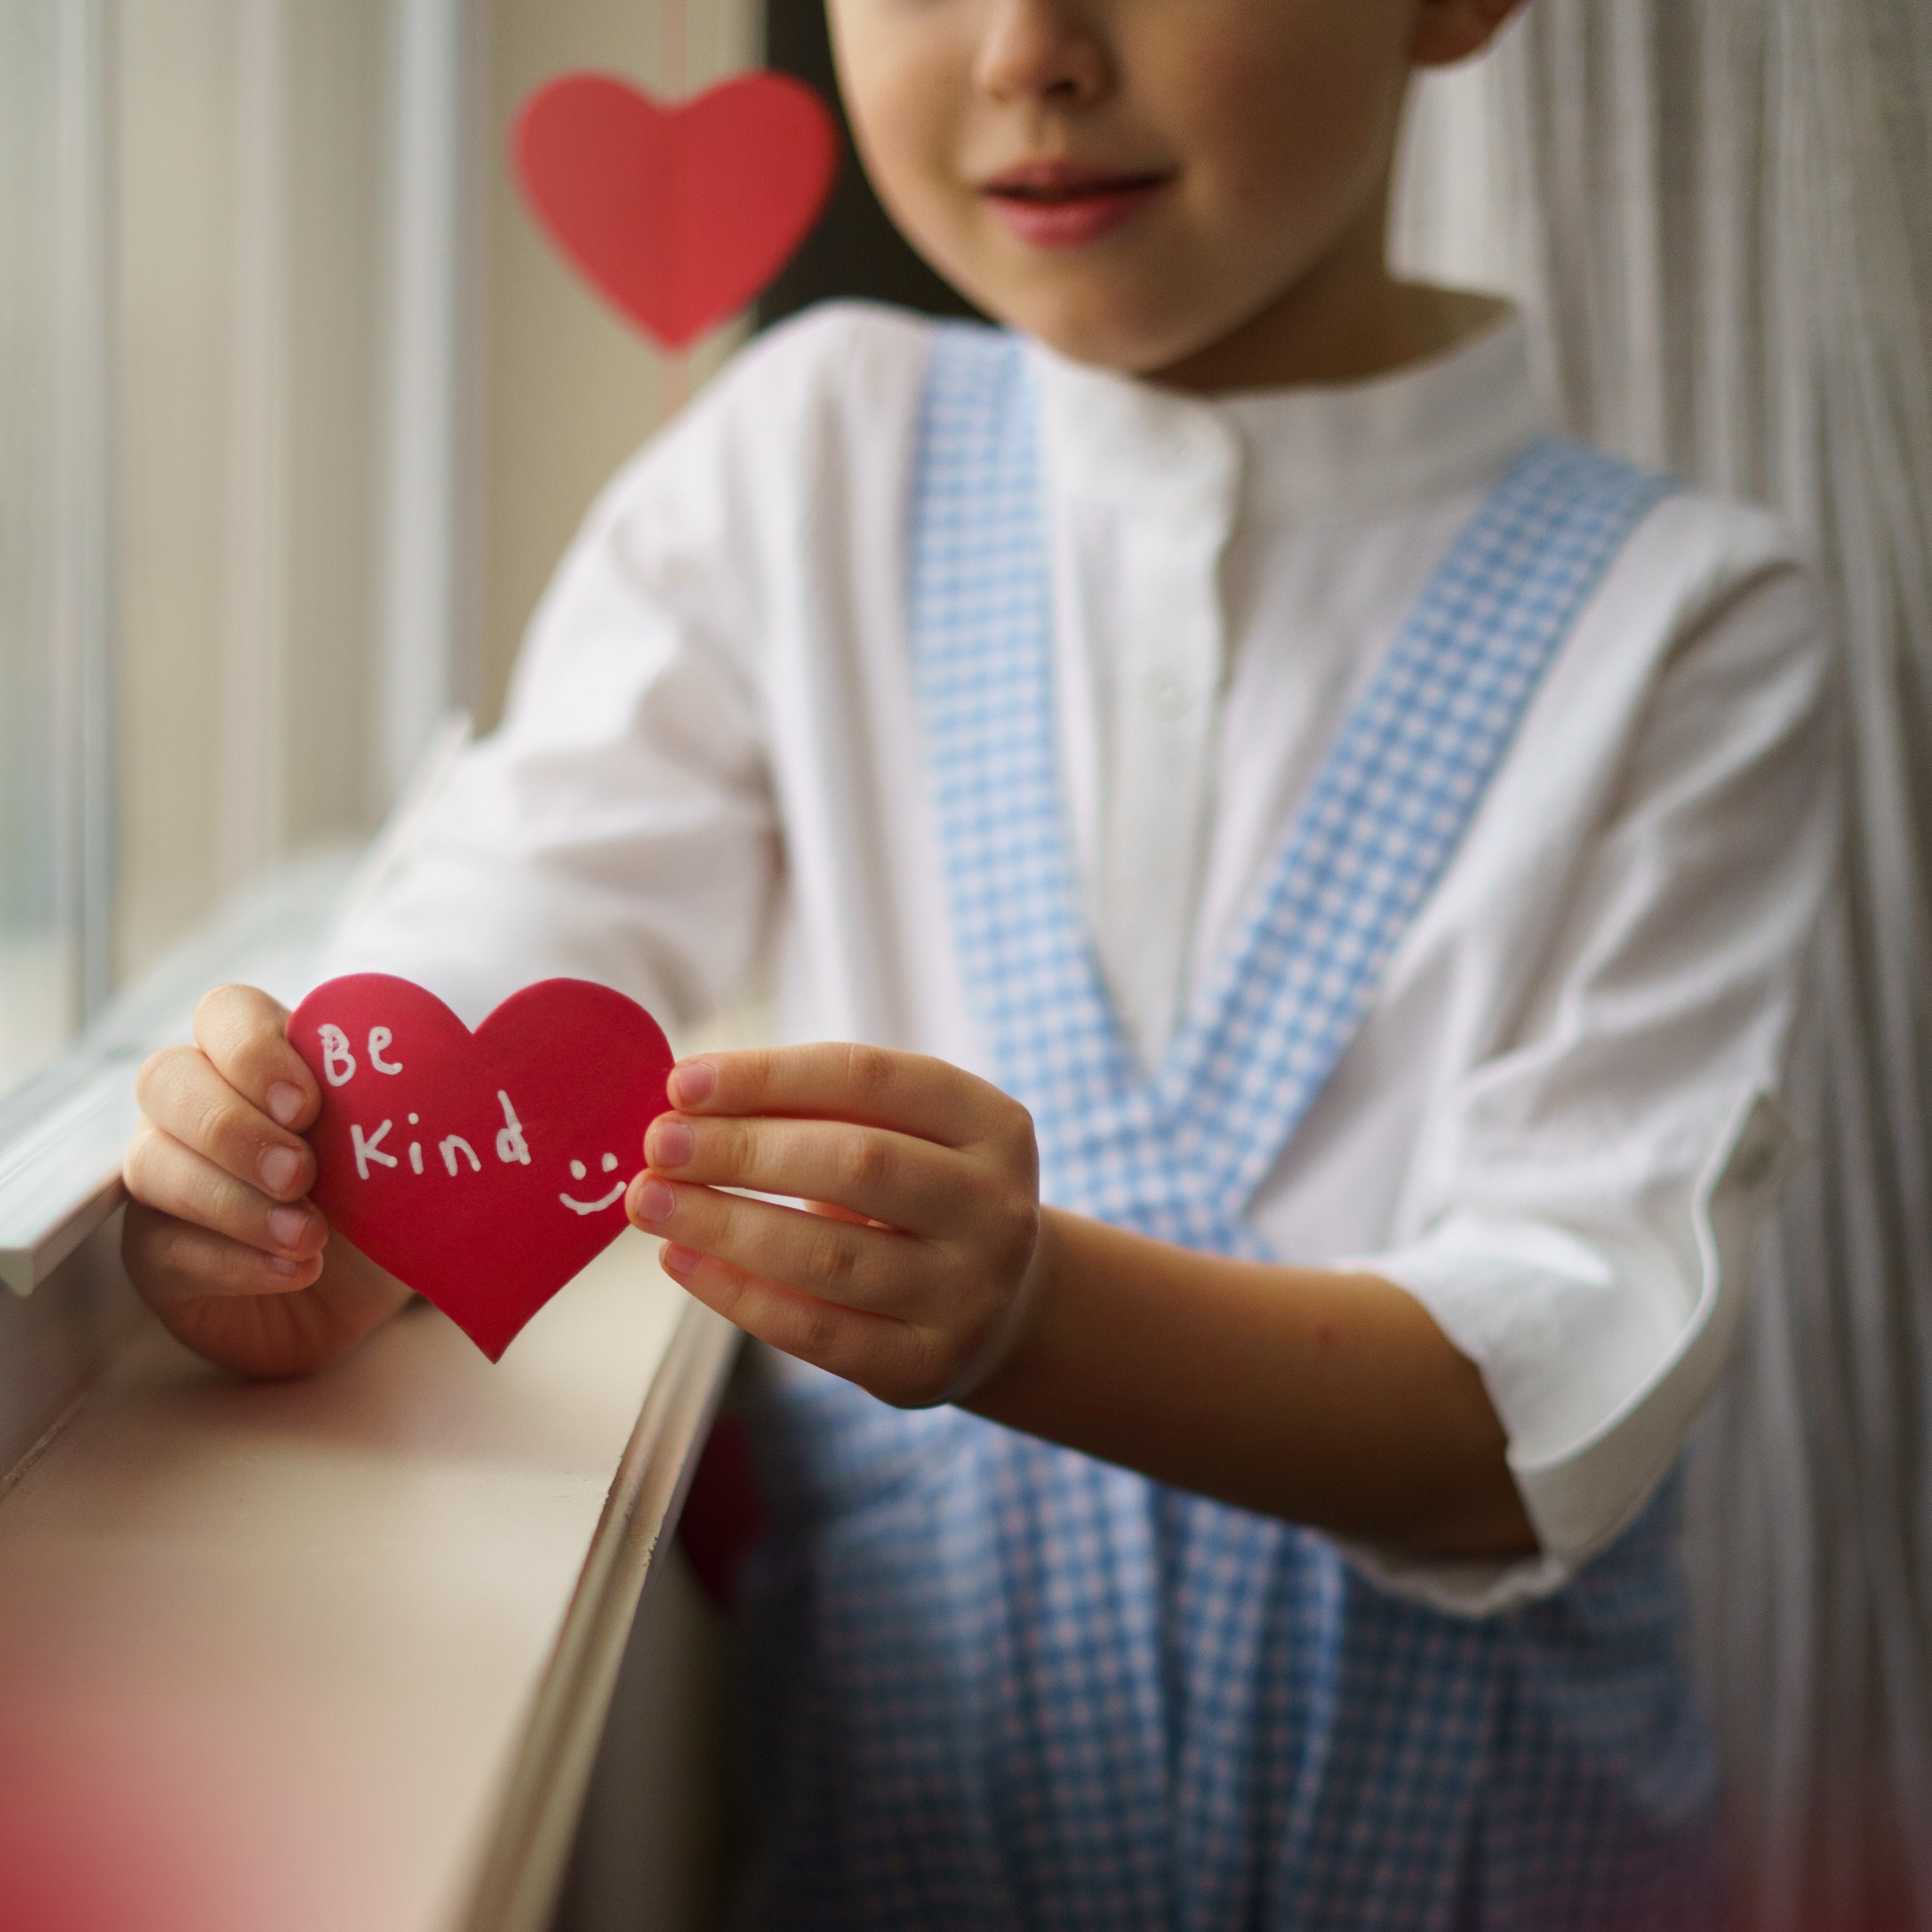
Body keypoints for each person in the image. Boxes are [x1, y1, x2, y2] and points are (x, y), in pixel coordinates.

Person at [120, 1, 1836, 1923]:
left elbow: (1550, 1396)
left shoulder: (1689, 633)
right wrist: (305, 1181)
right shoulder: (804, 467)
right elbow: (515, 924)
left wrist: (1027, 1317)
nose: (1029, 47)